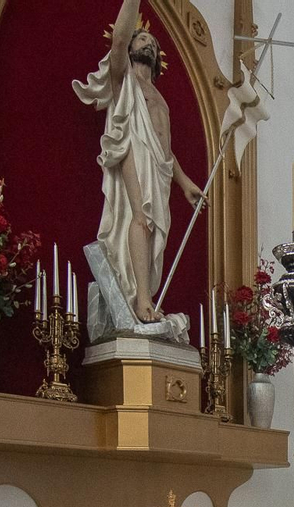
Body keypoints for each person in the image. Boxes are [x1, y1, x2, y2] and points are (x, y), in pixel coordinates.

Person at [73, 0, 203, 323]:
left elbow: (166, 149)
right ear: (131, 46)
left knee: (155, 231)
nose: (149, 43)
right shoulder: (123, 79)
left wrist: (184, 182)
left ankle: (142, 296)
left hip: (158, 166)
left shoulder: (162, 100)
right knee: (140, 217)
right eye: (142, 38)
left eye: (154, 43)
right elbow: (118, 38)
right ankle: (143, 301)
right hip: (132, 150)